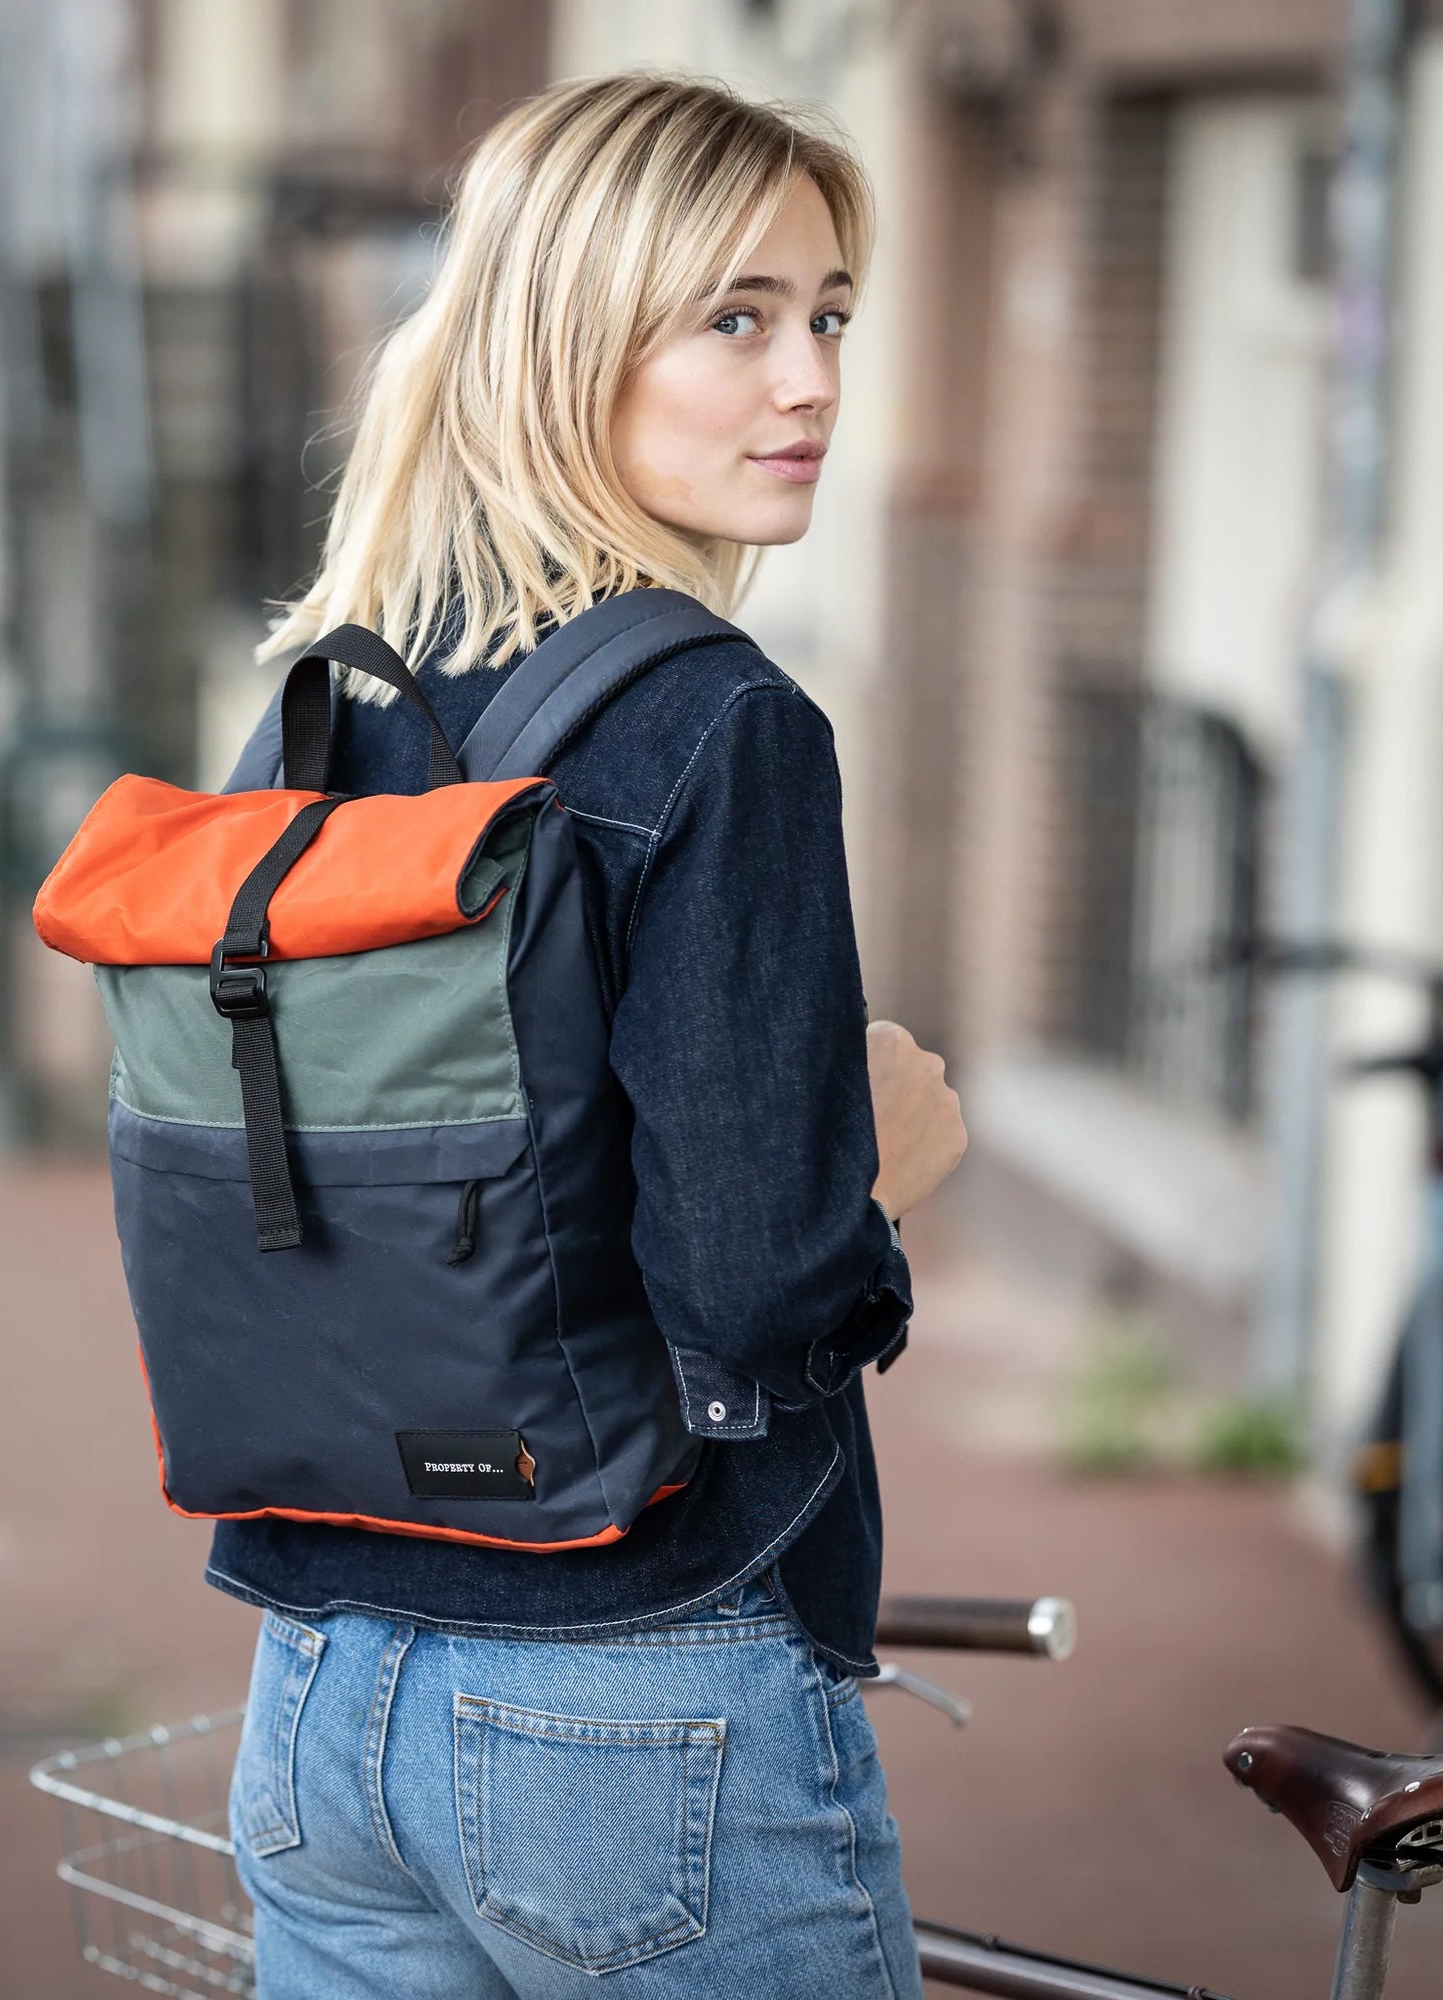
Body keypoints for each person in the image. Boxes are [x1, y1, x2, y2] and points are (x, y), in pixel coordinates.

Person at [214, 71, 968, 1998]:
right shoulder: (720, 726)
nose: (807, 381)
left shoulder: (321, 717)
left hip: (317, 1684)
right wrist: (871, 1179)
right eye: (734, 318)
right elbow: (754, 1291)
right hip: (632, 1697)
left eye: (828, 318)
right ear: (569, 336)